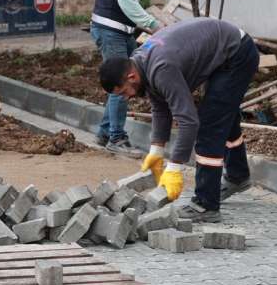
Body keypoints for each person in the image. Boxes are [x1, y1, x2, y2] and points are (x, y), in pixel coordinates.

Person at [98, 17, 258, 223]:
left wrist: (175, 167)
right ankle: (238, 177)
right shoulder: (141, 62)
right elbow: (160, 106)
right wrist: (156, 150)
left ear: (131, 77)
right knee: (222, 114)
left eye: (123, 92)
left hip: (237, 55)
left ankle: (205, 205)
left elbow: (189, 121)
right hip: (225, 48)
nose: (126, 98)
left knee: (210, 127)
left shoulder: (161, 67)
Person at [90, 0, 160, 154]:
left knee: (129, 77)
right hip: (111, 31)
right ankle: (117, 138)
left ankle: (104, 133)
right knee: (124, 80)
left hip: (120, 31)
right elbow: (127, 2)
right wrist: (153, 26)